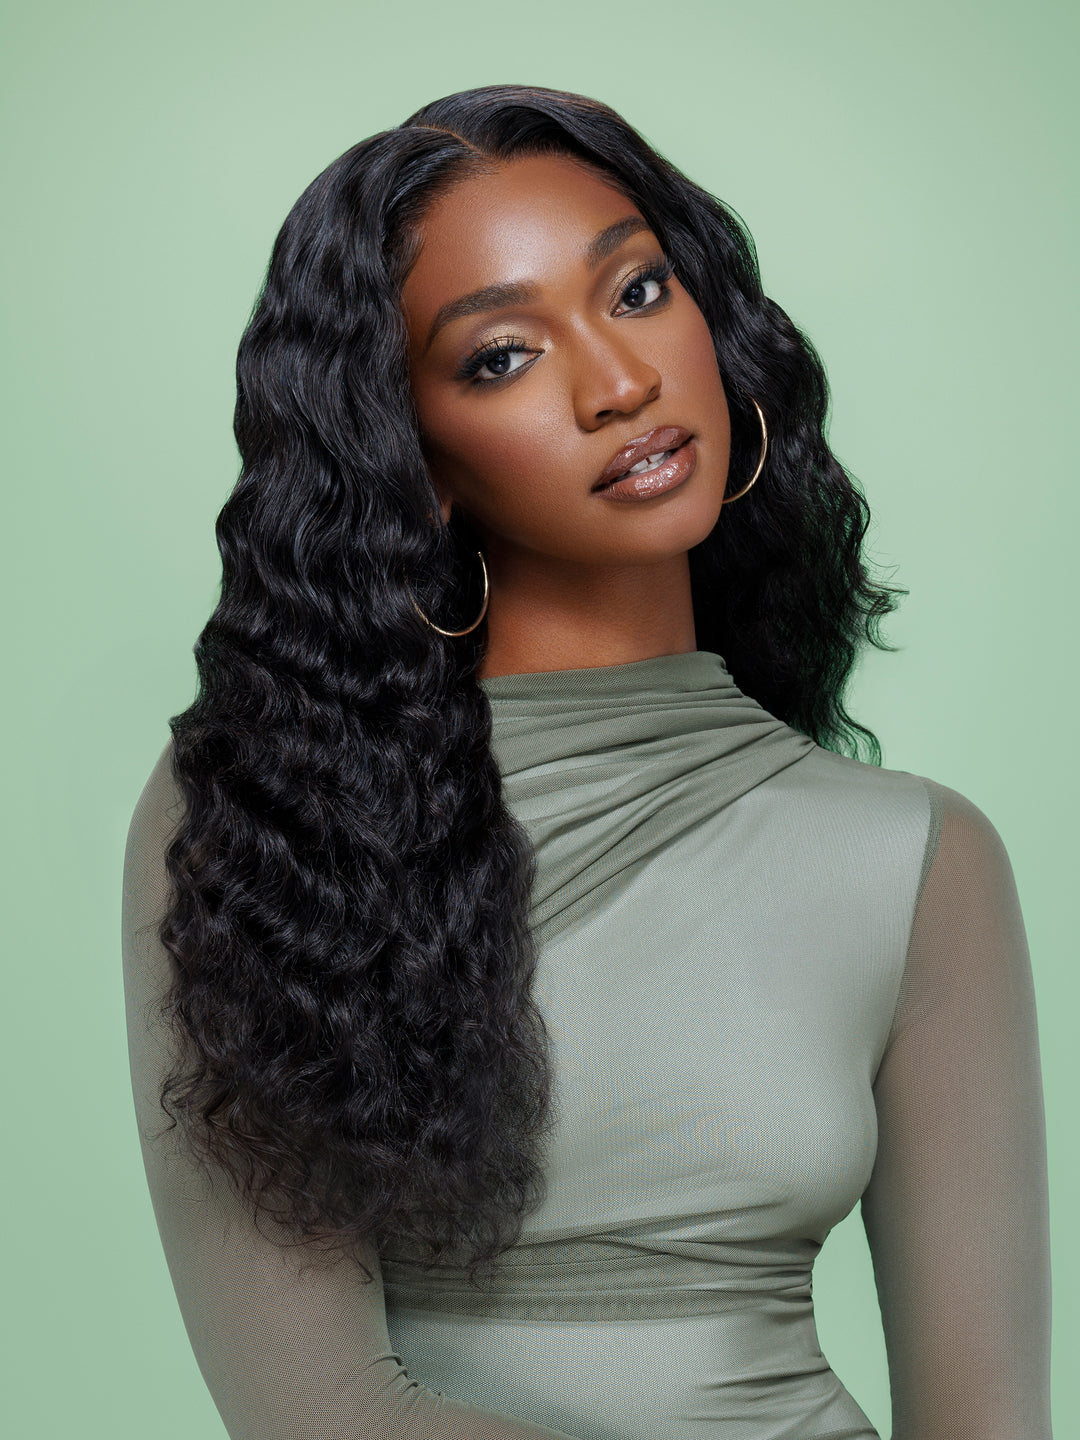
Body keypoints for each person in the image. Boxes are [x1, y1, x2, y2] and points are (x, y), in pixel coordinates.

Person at [121, 84, 1052, 1440]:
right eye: (499, 355)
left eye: (635, 292)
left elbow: (987, 1421)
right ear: (414, 457)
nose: (621, 384)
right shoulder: (262, 813)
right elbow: (313, 1408)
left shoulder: (920, 861)